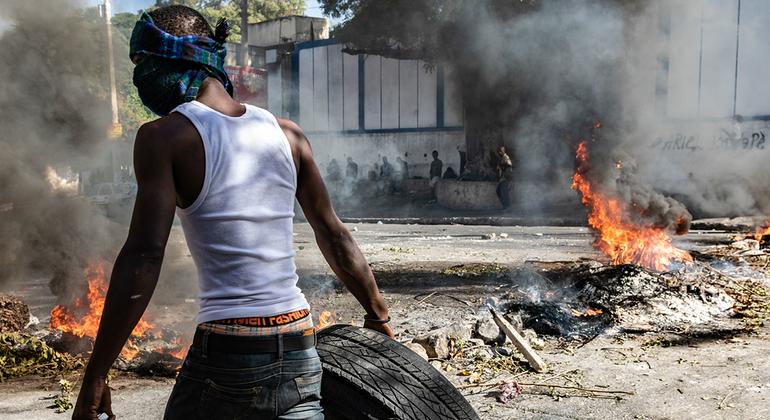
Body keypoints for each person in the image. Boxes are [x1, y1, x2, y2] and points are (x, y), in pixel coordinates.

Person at [72, 6, 392, 420]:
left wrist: (96, 373)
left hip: (227, 353)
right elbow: (334, 234)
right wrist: (377, 314)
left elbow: (144, 255)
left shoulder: (162, 137)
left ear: (170, 61)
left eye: (144, 66)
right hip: (299, 344)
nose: (140, 80)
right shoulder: (288, 134)